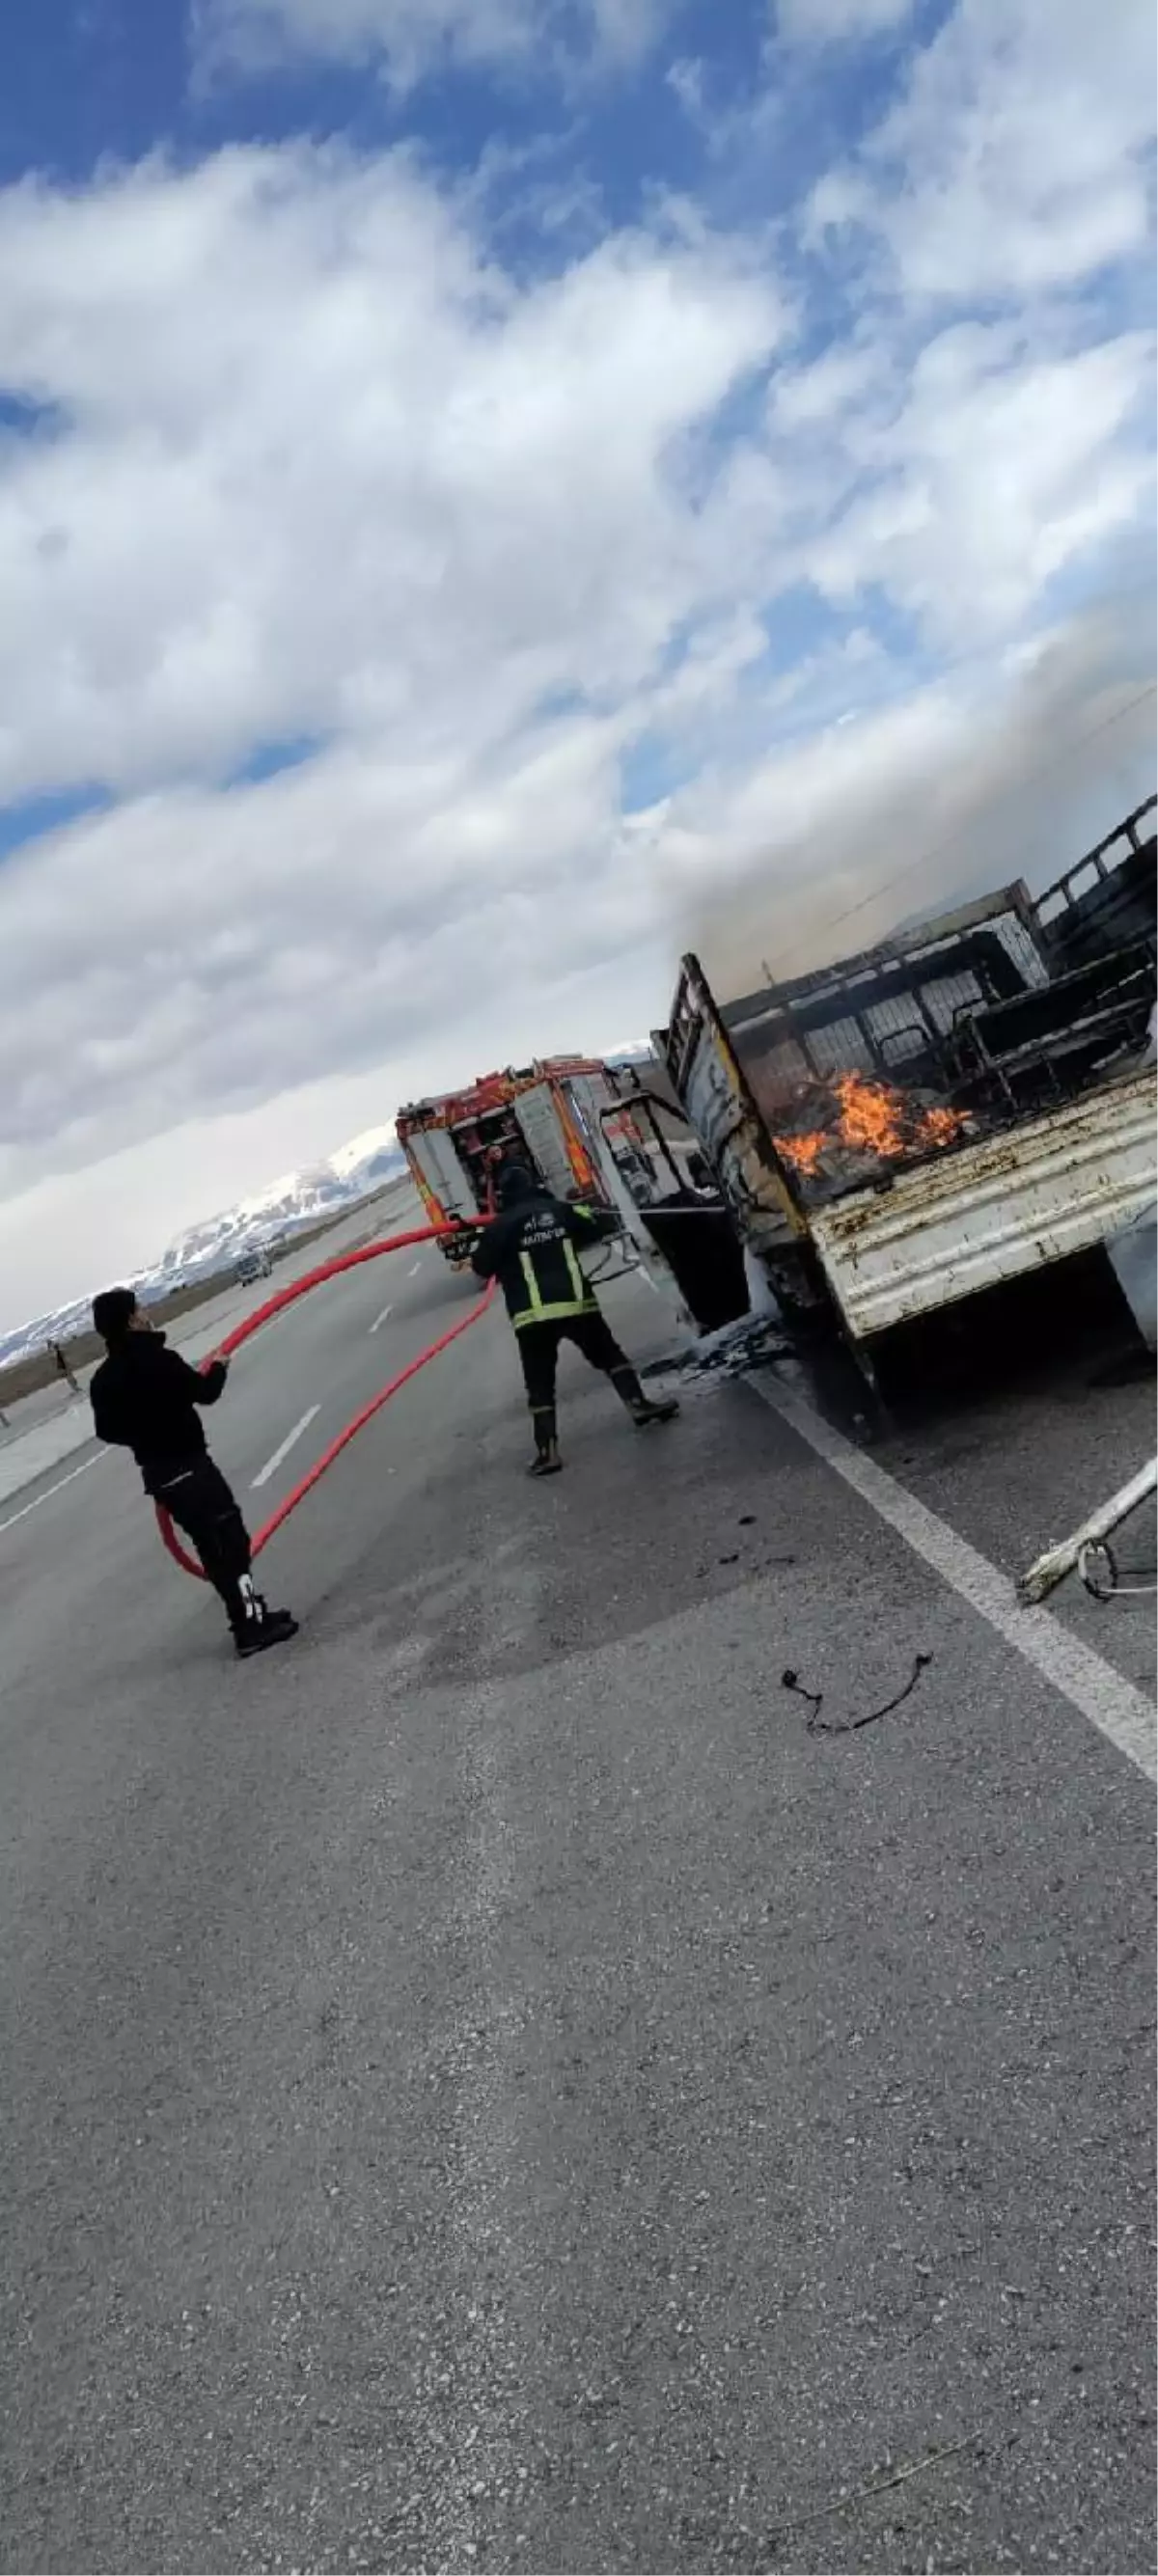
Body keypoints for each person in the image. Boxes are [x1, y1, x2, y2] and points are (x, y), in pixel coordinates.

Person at [90, 1287, 297, 1659]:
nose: (146, 1312)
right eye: (139, 1308)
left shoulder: (102, 1380)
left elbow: (106, 1430)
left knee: (212, 1548)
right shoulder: (158, 1359)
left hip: (162, 1478)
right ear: (131, 1319)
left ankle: (251, 1615)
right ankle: (250, 1626)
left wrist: (143, 1434)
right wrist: (219, 1364)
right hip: (191, 1469)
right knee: (231, 1545)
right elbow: (205, 1393)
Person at [471, 1164, 678, 1475]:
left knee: (539, 1384)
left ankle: (547, 1452)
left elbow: (480, 1270)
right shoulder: (559, 1210)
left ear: (503, 1195)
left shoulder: (499, 1227)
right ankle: (638, 1405)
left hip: (533, 1317)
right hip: (576, 1304)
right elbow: (595, 1225)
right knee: (610, 1356)